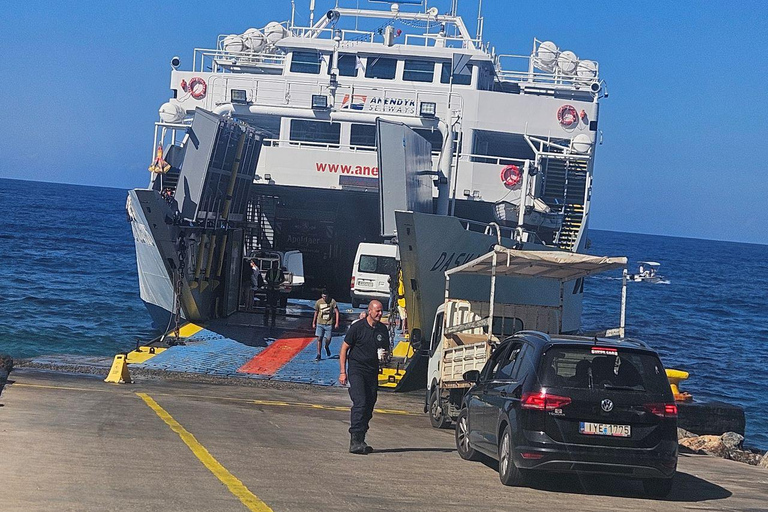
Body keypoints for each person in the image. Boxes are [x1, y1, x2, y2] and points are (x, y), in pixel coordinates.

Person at [339, 300, 389, 454]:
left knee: (369, 404)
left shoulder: (382, 330)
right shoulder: (358, 327)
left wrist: (385, 357)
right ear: (369, 311)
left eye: (381, 311)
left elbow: (385, 350)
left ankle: (361, 438)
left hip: (372, 371)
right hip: (357, 369)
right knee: (360, 402)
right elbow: (344, 349)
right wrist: (343, 372)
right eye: (377, 311)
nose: (380, 314)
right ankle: (354, 441)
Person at [313, 290, 339, 360]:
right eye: (323, 296)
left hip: (328, 323)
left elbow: (337, 312)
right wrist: (314, 322)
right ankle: (318, 354)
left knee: (328, 338)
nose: (324, 297)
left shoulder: (332, 302)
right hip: (320, 323)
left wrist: (336, 322)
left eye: (326, 296)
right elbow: (316, 312)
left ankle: (326, 346)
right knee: (319, 338)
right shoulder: (318, 302)